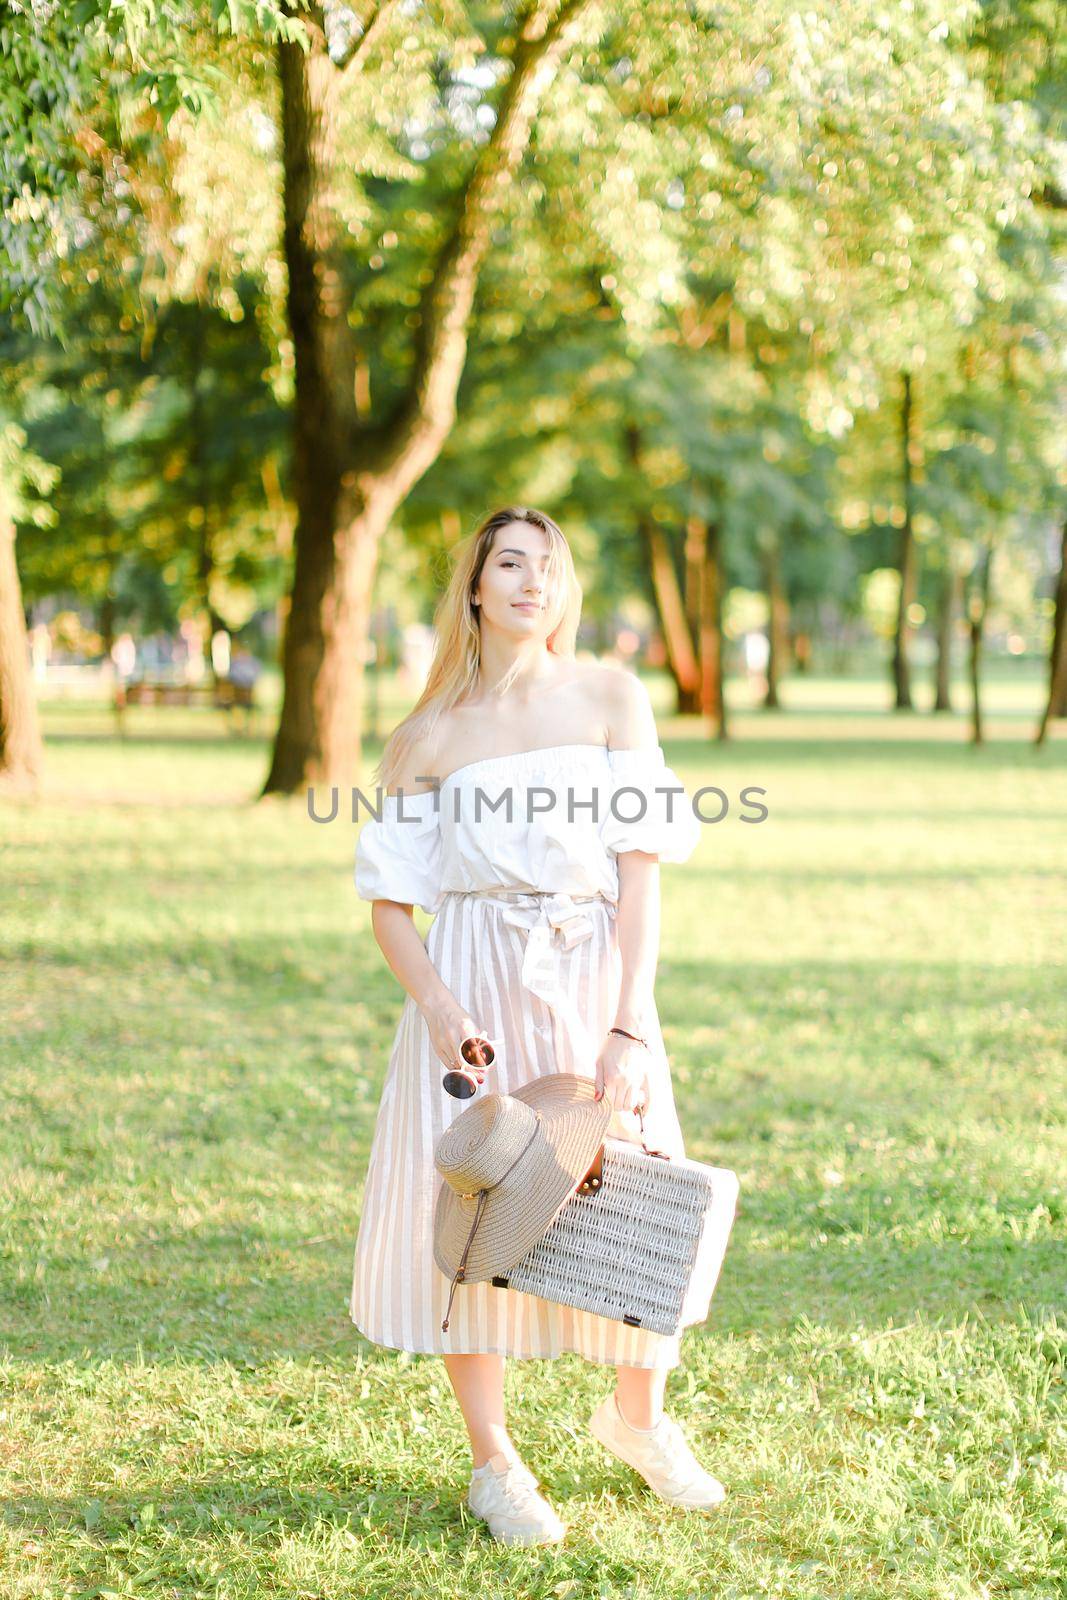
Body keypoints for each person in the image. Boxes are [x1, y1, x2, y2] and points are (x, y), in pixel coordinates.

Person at [350, 505, 725, 1546]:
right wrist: (438, 1009)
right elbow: (392, 900)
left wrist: (630, 1019)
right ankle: (494, 1462)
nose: (530, 580)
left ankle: (637, 1419)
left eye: (548, 565)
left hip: (588, 971)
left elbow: (639, 869)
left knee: (636, 1187)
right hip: (472, 980)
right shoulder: (430, 732)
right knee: (475, 1212)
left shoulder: (609, 694)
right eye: (509, 562)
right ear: (473, 584)